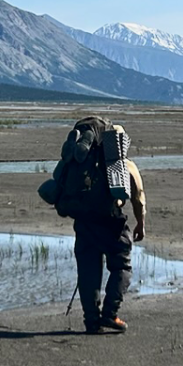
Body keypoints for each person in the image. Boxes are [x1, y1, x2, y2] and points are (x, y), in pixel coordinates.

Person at [73, 128, 146, 335]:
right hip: (111, 223)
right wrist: (141, 224)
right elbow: (138, 198)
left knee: (88, 272)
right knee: (122, 267)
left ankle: (92, 321)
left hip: (84, 223)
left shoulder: (85, 164)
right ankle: (110, 314)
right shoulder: (125, 166)